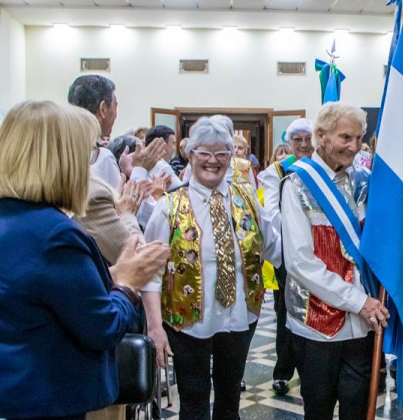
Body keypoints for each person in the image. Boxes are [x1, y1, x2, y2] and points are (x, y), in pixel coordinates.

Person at [0, 100, 169, 420]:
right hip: (42, 399)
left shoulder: (2, 215)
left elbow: (48, 294)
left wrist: (114, 274)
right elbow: (103, 326)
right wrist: (128, 285)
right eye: (88, 153)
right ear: (64, 160)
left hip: (6, 390)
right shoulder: (54, 233)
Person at [142, 116, 281, 420]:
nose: (212, 161)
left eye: (221, 153)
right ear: (190, 155)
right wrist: (154, 328)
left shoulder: (247, 198)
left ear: (231, 157)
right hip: (186, 320)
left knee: (230, 397)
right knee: (193, 397)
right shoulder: (169, 206)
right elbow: (150, 274)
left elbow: (274, 245)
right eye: (204, 152)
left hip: (241, 315)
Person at [280, 102, 388, 419]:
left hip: (363, 325)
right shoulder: (297, 185)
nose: (354, 146)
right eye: (345, 137)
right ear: (321, 135)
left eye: (358, 138)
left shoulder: (365, 180)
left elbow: (378, 244)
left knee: (356, 410)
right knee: (319, 410)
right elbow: (300, 262)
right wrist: (358, 301)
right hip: (315, 324)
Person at [258, 119, 314, 396]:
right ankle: (283, 372)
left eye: (308, 138)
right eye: (297, 139)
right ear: (289, 142)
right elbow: (271, 214)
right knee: (287, 312)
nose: (303, 144)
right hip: (289, 252)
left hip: (320, 251)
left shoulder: (321, 167)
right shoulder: (277, 171)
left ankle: (312, 371)